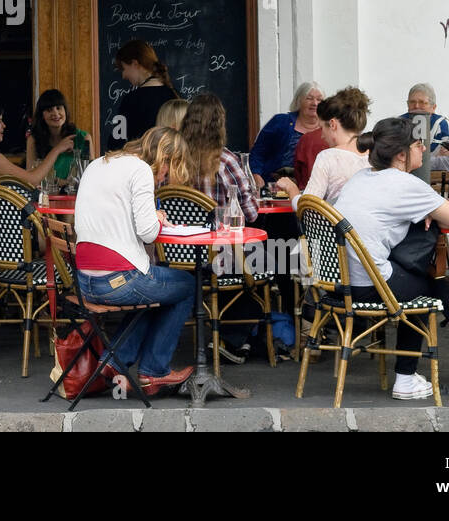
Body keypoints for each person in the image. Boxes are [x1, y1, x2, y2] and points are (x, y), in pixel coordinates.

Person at [334, 117, 449, 400]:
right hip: (371, 285)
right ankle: (408, 376)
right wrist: (430, 208)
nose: (424, 149)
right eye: (420, 144)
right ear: (402, 154)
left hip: (336, 285)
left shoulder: (359, 178)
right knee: (424, 288)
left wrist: (426, 210)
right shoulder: (405, 184)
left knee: (420, 273)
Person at [73, 126, 196, 396]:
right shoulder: (140, 170)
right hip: (117, 282)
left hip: (84, 281)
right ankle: (154, 371)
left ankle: (114, 360)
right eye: (168, 169)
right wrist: (158, 217)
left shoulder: (97, 164)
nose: (163, 177)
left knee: (161, 287)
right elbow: (148, 232)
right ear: (165, 158)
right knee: (187, 285)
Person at [177, 95, 260, 362]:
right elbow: (250, 214)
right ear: (220, 124)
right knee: (268, 264)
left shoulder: (172, 160)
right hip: (220, 259)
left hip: (177, 257)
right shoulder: (226, 161)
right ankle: (232, 339)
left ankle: (233, 339)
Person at [275, 87, 372, 204]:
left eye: (322, 128)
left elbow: (307, 206)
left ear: (332, 124)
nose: (322, 136)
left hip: (340, 221)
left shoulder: (328, 157)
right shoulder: (375, 152)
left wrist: (291, 188)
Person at [248, 82, 324, 186]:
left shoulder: (329, 129)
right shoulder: (280, 122)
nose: (315, 103)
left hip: (315, 188)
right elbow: (258, 152)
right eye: (309, 98)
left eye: (319, 99)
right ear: (298, 100)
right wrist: (256, 174)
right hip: (276, 187)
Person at [108, 39, 178, 150]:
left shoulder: (130, 100)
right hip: (168, 165)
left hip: (138, 164)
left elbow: (116, 142)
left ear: (135, 64)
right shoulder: (173, 95)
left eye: (123, 69)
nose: (123, 76)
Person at [26, 89, 90, 186]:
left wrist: (52, 181)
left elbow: (90, 177)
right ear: (42, 115)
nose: (55, 114)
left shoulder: (83, 138)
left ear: (65, 110)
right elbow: (30, 179)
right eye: (49, 110)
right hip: (44, 198)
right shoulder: (33, 140)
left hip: (76, 196)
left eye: (59, 108)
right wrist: (65, 183)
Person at [398, 82, 449, 152]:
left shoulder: (440, 123)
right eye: (412, 102)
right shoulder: (399, 122)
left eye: (422, 102)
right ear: (407, 104)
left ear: (433, 107)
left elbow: (442, 153)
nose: (416, 106)